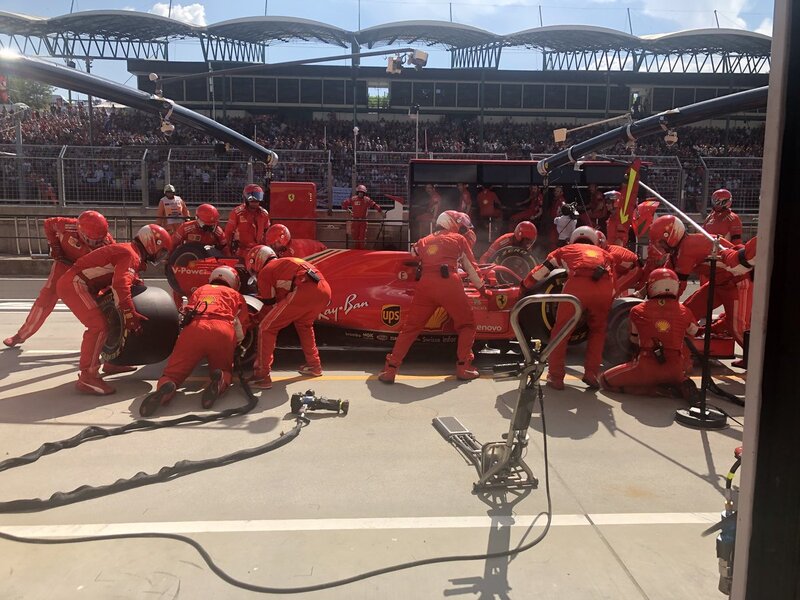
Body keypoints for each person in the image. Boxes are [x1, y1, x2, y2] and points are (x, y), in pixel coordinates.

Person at [57, 224, 172, 396]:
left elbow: (125, 279)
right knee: (98, 327)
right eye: (161, 251)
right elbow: (120, 284)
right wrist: (128, 313)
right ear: (151, 243)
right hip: (75, 284)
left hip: (85, 284)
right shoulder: (130, 254)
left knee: (108, 322)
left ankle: (111, 363)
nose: (161, 257)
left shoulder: (131, 252)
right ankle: (87, 377)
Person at [379, 210, 485, 383]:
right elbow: (471, 268)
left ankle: (391, 369)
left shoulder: (423, 240)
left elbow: (413, 254)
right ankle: (463, 367)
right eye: (459, 226)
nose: (461, 229)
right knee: (467, 325)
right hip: (449, 283)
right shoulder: (459, 239)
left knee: (410, 328)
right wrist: (482, 289)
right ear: (452, 223)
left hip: (425, 285)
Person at [139, 266, 250, 417]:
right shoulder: (235, 294)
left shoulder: (200, 290)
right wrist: (235, 344)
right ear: (234, 281)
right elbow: (241, 326)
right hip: (222, 329)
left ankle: (166, 388)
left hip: (194, 329)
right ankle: (220, 380)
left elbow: (187, 311)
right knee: (224, 369)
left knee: (172, 373)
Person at [520, 226, 615, 390]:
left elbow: (540, 272)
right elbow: (613, 285)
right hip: (604, 290)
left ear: (573, 239)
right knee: (598, 331)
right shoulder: (606, 254)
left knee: (561, 331)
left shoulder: (564, 250)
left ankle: (556, 377)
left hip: (577, 289)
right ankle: (592, 373)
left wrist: (524, 285)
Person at [4, 211, 113, 348]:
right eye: (91, 240)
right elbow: (48, 224)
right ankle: (21, 335)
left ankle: (105, 338)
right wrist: (54, 245)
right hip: (63, 265)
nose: (95, 244)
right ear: (80, 231)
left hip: (85, 273)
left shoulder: (107, 241)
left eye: (99, 240)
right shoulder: (67, 225)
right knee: (45, 300)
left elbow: (115, 258)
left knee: (97, 303)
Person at [600, 268, 699, 400]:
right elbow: (694, 331)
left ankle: (653, 391)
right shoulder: (685, 311)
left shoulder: (637, 310)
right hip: (675, 367)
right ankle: (680, 381)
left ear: (651, 287)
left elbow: (634, 339)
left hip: (646, 365)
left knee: (604, 380)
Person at [246, 245, 332, 390]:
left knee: (266, 328)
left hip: (304, 289)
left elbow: (268, 305)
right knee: (304, 326)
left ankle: (262, 375)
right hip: (324, 290)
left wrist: (254, 319)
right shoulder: (285, 262)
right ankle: (314, 366)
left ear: (257, 261)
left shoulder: (266, 271)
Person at [225, 184, 271, 260]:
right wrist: (228, 251)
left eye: (257, 198)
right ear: (246, 198)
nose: (255, 202)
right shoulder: (237, 213)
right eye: (252, 199)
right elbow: (228, 232)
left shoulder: (264, 214)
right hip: (241, 252)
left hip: (258, 251)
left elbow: (267, 233)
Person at [596, 230, 643, 296]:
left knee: (613, 290)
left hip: (633, 269)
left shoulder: (610, 255)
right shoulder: (609, 250)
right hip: (627, 268)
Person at [341, 184, 382, 249]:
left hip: (363, 221)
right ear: (357, 192)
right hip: (355, 221)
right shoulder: (353, 199)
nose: (361, 193)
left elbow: (374, 205)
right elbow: (344, 204)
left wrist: (381, 211)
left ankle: (361, 250)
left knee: (362, 237)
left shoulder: (367, 200)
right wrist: (349, 211)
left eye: (362, 192)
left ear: (364, 193)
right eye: (360, 192)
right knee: (355, 236)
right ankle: (357, 250)